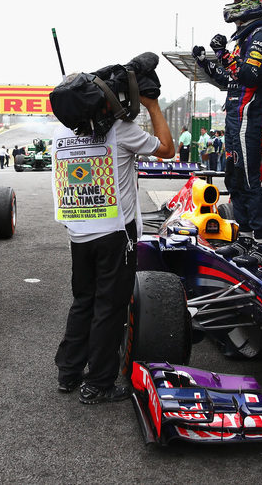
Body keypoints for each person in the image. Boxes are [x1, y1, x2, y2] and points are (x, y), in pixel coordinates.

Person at [53, 94, 174, 404]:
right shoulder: (120, 129)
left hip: (79, 234)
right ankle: (98, 383)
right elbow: (167, 150)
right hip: (115, 235)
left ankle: (68, 373)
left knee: (84, 301)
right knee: (109, 308)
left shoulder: (61, 132)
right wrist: (153, 106)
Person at [192, 0, 262, 267]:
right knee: (234, 179)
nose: (232, 6)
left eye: (237, 0)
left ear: (254, 1)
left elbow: (249, 76)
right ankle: (243, 240)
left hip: (249, 119)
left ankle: (261, 245)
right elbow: (230, 79)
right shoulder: (248, 37)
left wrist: (222, 54)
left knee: (248, 180)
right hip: (235, 118)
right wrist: (207, 62)